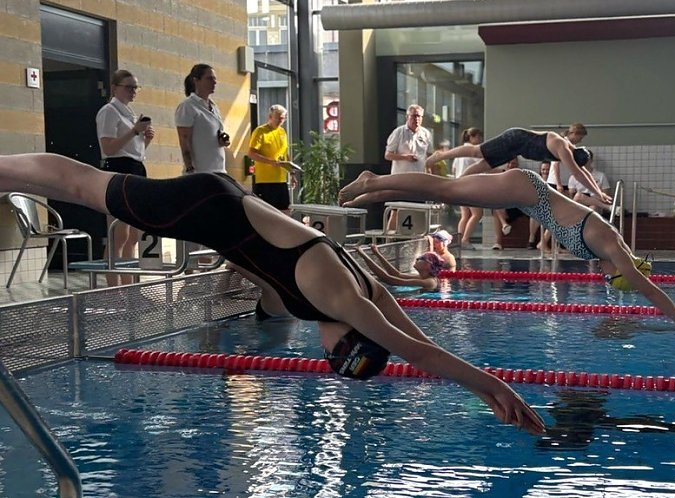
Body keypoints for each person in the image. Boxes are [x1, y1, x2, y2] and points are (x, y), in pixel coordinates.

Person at [0, 152, 545, 436]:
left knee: (83, 184)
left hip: (221, 204)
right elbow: (418, 353)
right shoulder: (337, 302)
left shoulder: (361, 289)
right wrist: (489, 387)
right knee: (80, 183)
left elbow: (416, 340)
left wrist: (485, 384)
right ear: (340, 349)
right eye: (331, 359)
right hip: (206, 210)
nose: (321, 355)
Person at [340, 169, 675, 349]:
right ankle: (373, 182)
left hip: (527, 196)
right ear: (618, 270)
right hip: (526, 188)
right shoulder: (611, 245)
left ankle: (373, 191)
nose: (605, 278)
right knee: (448, 189)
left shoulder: (606, 250)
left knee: (450, 191)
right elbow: (648, 289)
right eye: (612, 277)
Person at [424, 126, 610, 204]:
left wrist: (598, 192)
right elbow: (578, 174)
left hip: (516, 149)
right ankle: (441, 155)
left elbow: (582, 172)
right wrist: (597, 192)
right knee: (476, 151)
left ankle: (456, 183)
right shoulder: (563, 147)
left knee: (484, 165)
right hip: (514, 139)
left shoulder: (572, 153)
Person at [95, 69, 155, 287]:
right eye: (128, 87)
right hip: (118, 170)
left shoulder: (129, 113)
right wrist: (133, 131)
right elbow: (109, 148)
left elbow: (134, 151)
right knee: (118, 234)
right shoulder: (109, 111)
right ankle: (113, 290)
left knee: (133, 235)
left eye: (135, 87)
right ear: (114, 88)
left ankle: (130, 288)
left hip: (136, 169)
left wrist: (145, 138)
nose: (133, 91)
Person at [384, 104, 433, 232]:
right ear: (407, 116)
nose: (416, 119)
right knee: (396, 210)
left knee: (419, 210)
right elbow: (388, 155)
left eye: (419, 116)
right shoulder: (399, 132)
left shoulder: (426, 134)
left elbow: (430, 157)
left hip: (419, 181)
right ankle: (390, 240)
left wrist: (431, 176)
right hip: (400, 180)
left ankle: (416, 241)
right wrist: (405, 157)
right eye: (414, 116)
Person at [175, 63, 229, 174]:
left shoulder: (214, 107)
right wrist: (189, 168)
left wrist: (222, 140)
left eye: (215, 79)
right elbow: (184, 140)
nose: (214, 82)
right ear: (196, 81)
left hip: (219, 169)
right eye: (209, 78)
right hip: (200, 172)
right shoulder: (188, 106)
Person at [248, 104, 296, 215]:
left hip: (281, 180)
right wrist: (270, 162)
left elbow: (285, 154)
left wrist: (292, 173)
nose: (280, 121)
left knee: (285, 211)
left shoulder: (282, 132)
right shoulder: (260, 131)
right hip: (265, 181)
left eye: (283, 118)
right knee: (267, 213)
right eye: (278, 118)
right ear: (270, 117)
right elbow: (251, 153)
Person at [354, 245, 443, 291]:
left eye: (421, 259)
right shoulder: (424, 277)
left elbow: (390, 280)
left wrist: (363, 254)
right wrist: (377, 253)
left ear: (428, 265)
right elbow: (396, 274)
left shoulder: (429, 282)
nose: (417, 259)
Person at [451, 128, 485, 250]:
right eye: (479, 137)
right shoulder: (472, 151)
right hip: (470, 186)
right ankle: (465, 239)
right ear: (472, 137)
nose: (481, 140)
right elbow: (483, 167)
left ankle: (460, 241)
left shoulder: (459, 153)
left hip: (458, 185)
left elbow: (454, 170)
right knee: (477, 214)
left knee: (465, 215)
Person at [548, 123, 588, 193]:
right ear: (574, 134)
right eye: (580, 138)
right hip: (555, 182)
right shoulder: (562, 143)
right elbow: (555, 164)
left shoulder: (573, 146)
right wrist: (558, 184)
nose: (580, 140)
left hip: (567, 182)